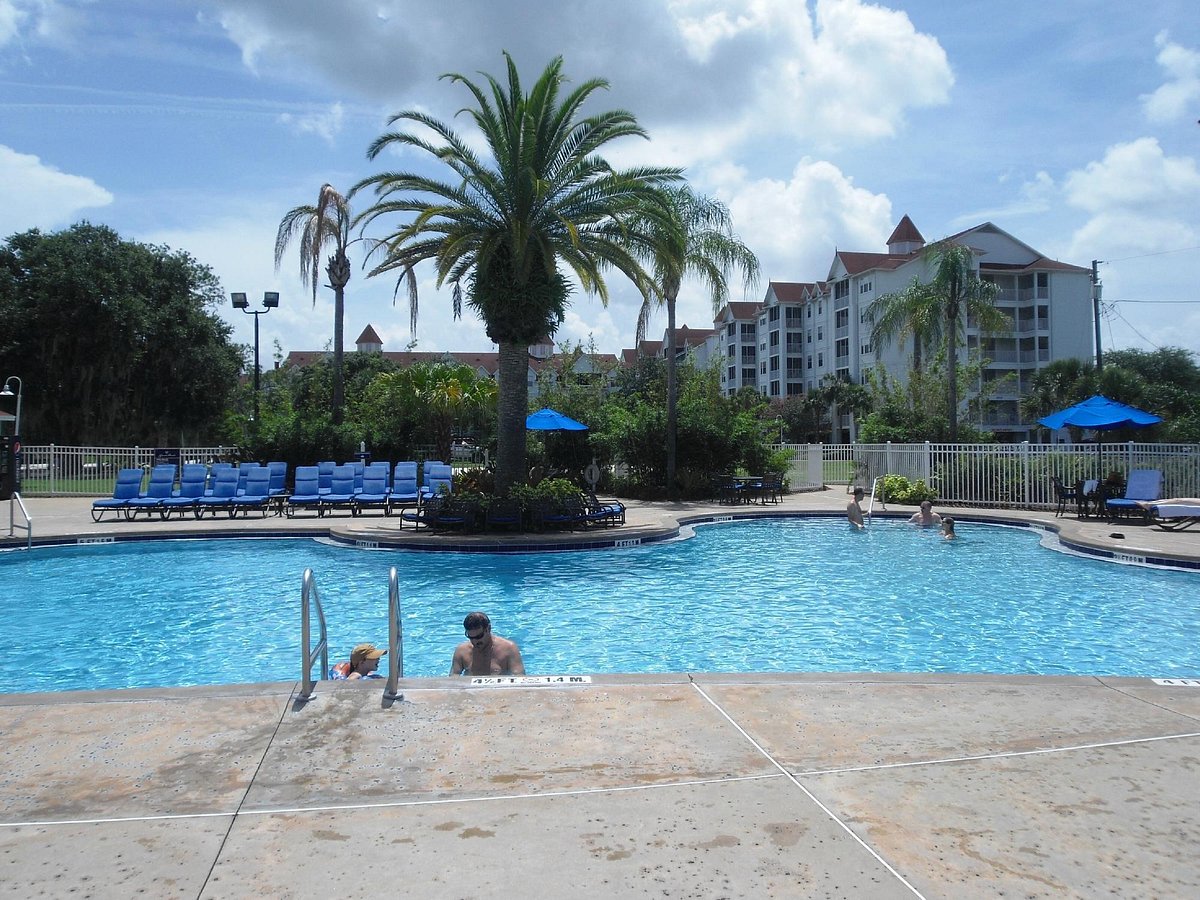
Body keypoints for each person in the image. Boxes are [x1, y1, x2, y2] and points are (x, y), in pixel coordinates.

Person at [450, 611, 525, 676]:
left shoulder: (509, 649)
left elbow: (519, 677)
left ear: (488, 629)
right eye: (471, 637)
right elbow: (453, 677)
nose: (475, 642)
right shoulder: (461, 651)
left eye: (479, 637)